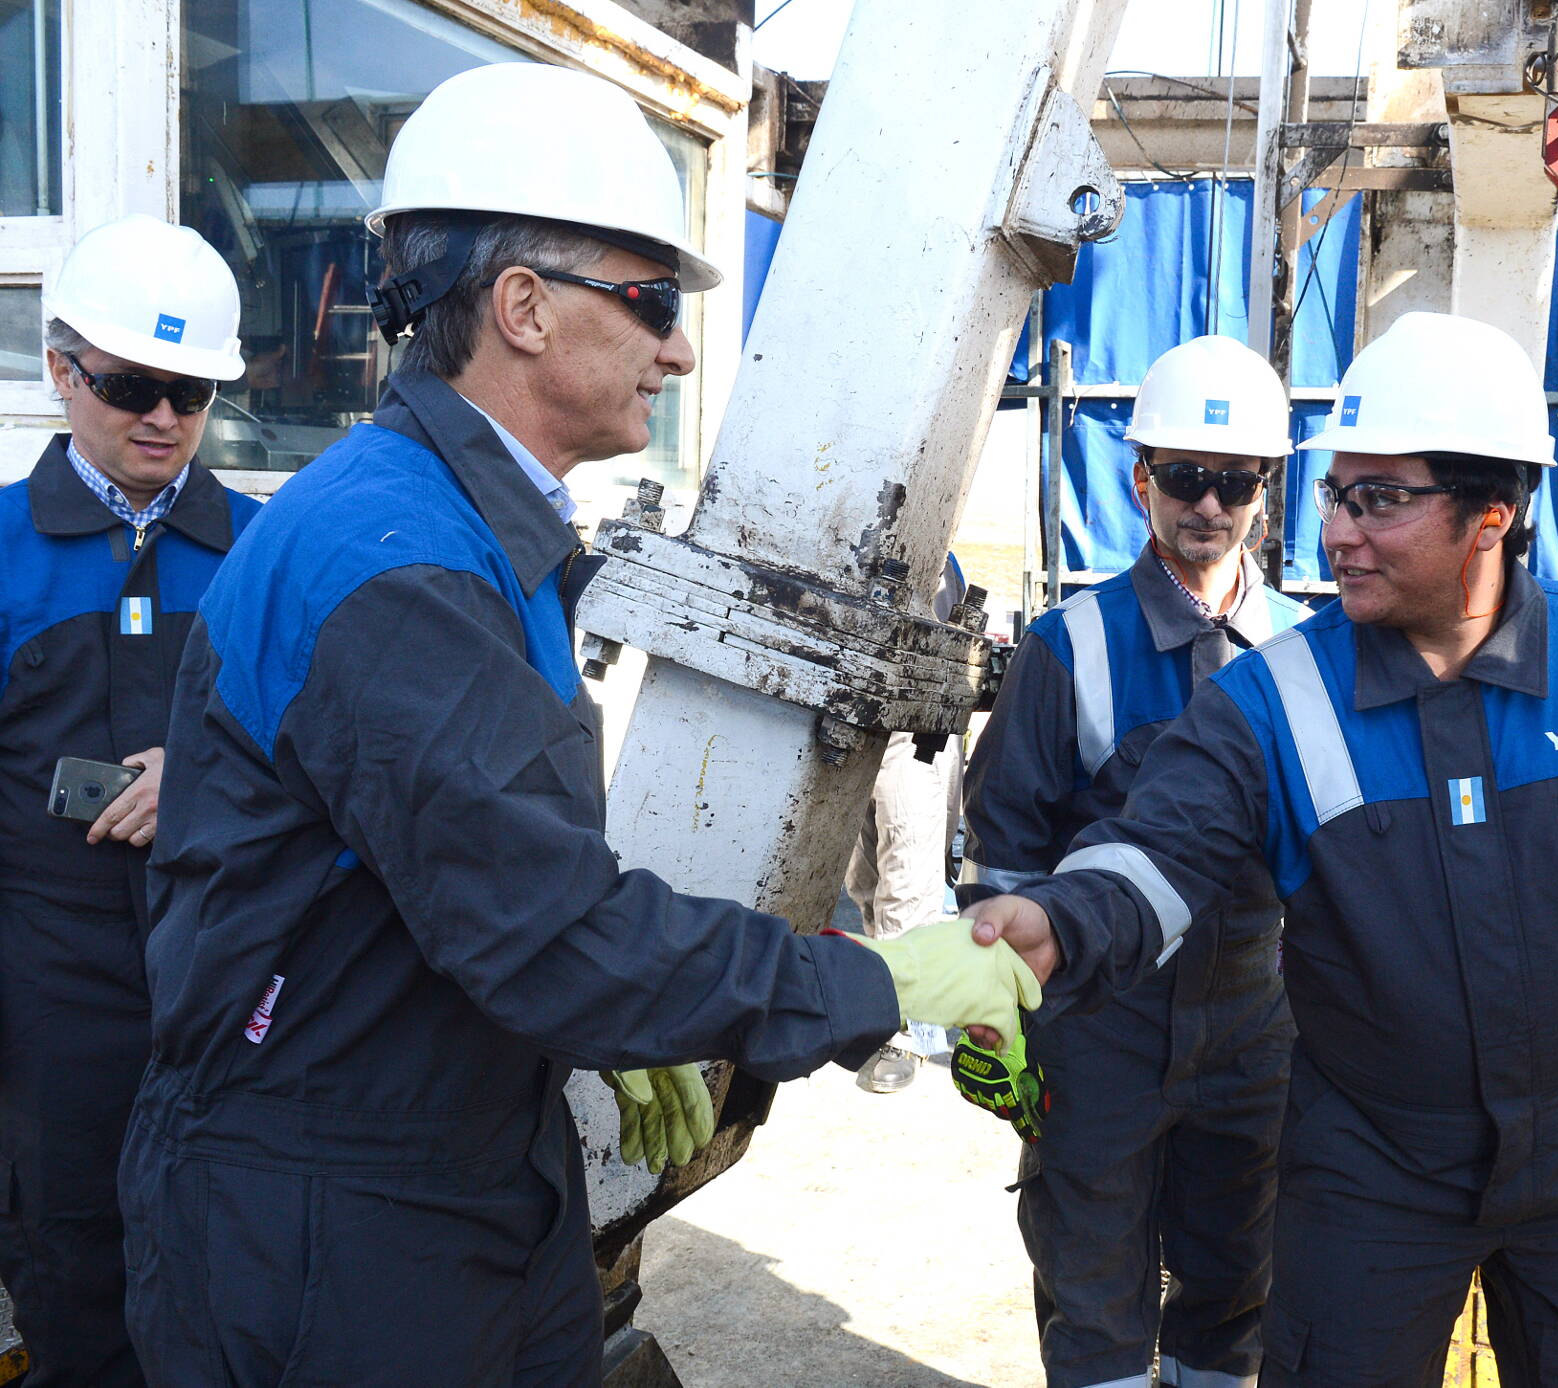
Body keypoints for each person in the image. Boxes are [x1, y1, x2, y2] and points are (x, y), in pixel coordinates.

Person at [119, 62, 1036, 1385]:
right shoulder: (400, 574)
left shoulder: (457, 531)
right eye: (654, 300)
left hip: (442, 1177)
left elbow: (495, 895)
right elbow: (546, 935)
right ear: (524, 309)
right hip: (334, 1236)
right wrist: (877, 982)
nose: (674, 346)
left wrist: (600, 1028)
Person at [964, 312, 1558, 1387]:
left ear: (1491, 512)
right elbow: (1157, 849)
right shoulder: (1271, 696)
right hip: (1371, 1175)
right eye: (1334, 493)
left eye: (1380, 499)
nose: (1338, 533)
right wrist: (1058, 917)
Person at [959, 335, 1309, 1388]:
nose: (1209, 505)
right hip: (1100, 1024)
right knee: (1094, 1278)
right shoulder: (1068, 647)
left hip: (1254, 1022)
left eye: (1235, 482)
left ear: (1266, 487)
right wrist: (998, 1004)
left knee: (1234, 1278)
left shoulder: (1305, 651)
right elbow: (1007, 846)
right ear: (1140, 476)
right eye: (1186, 478)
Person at [0, 214, 261, 1387]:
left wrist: (200, 776)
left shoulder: (268, 552)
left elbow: (351, 762)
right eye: (130, 384)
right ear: (62, 370)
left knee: (240, 1268)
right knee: (75, 1278)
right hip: (49, 1011)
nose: (163, 415)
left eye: (192, 390)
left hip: (237, 994)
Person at [848, 554, 967, 1092]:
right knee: (863, 877)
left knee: (909, 866)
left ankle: (908, 1029)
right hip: (850, 706)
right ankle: (886, 1004)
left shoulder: (936, 550)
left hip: (915, 723)